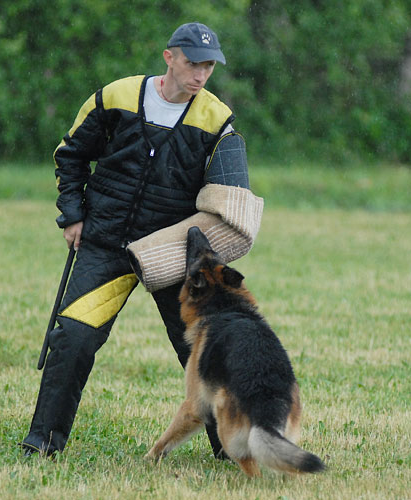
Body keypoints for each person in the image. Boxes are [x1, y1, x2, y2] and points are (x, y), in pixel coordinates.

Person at [20, 22, 263, 458]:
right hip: (105, 243)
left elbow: (234, 201)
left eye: (209, 66)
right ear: (169, 57)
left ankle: (230, 449)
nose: (201, 75)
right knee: (73, 338)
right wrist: (72, 215)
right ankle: (42, 444)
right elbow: (71, 155)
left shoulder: (216, 120)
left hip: (171, 254)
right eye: (193, 63)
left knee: (206, 351)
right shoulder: (115, 98)